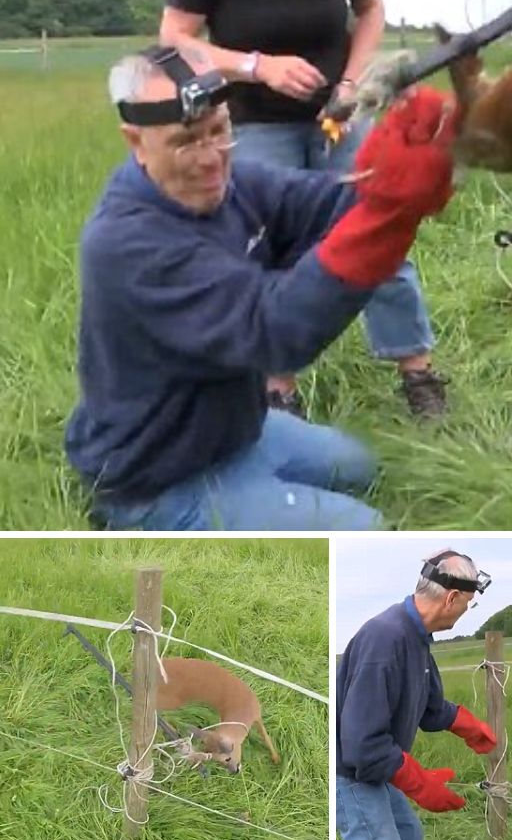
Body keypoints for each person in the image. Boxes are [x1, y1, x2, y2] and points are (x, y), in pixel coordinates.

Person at [64, 45, 458, 531]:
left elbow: (324, 205)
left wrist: (385, 180)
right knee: (368, 527)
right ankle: (138, 519)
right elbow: (277, 329)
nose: (212, 159)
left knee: (364, 468)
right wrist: (386, 215)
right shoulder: (128, 244)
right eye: (186, 141)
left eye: (219, 130)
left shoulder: (233, 185)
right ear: (136, 141)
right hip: (162, 475)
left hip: (239, 432)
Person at [159, 0, 449, 419]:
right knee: (268, 252)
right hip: (256, 122)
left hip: (338, 115)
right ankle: (278, 393)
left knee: (379, 226)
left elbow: (369, 8)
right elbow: (174, 37)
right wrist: (257, 67)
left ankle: (418, 375)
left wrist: (350, 83)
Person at [337, 550, 498, 840]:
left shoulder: (415, 635)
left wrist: (468, 725)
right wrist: (418, 782)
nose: (468, 610)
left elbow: (429, 705)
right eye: (470, 603)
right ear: (452, 598)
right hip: (351, 775)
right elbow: (362, 746)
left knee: (409, 836)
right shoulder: (385, 639)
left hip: (374, 770)